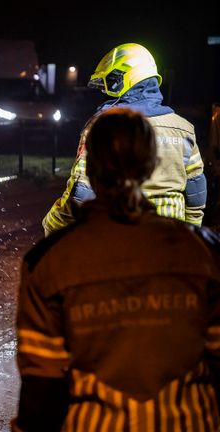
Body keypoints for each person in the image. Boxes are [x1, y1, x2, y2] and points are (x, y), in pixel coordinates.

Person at [13, 108, 220, 431]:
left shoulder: (48, 262)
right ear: (150, 166)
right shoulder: (205, 253)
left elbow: (42, 387)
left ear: (91, 170)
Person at [42, 43, 206, 236]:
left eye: (109, 82)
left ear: (124, 79)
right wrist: (189, 234)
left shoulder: (104, 127)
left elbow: (81, 193)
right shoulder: (184, 129)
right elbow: (196, 191)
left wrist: (52, 225)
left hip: (117, 241)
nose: (104, 91)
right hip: (170, 242)